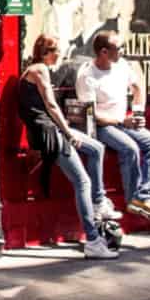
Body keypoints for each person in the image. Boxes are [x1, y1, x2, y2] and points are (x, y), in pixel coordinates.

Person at [19, 35, 116, 258]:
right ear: (47, 52)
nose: (60, 56)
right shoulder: (39, 70)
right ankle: (93, 241)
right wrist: (68, 132)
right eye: (57, 52)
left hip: (53, 129)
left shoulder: (36, 69)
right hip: (51, 133)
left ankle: (99, 201)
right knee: (82, 181)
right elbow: (51, 105)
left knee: (96, 149)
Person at [74, 31, 150, 224]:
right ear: (103, 52)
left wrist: (138, 113)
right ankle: (133, 198)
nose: (123, 51)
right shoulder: (87, 76)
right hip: (102, 126)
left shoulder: (122, 65)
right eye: (119, 48)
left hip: (123, 122)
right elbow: (90, 115)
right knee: (130, 148)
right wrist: (121, 121)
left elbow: (137, 87)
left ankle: (145, 197)